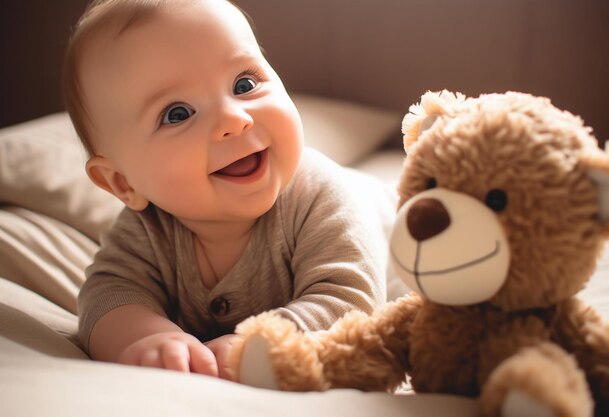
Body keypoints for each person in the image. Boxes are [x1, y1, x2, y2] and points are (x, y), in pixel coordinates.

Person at [62, 0, 388, 380]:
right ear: (122, 183)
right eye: (177, 114)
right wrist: (148, 337)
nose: (234, 119)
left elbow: (351, 304)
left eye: (244, 84)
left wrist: (258, 344)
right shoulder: (148, 230)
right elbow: (109, 296)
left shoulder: (320, 197)